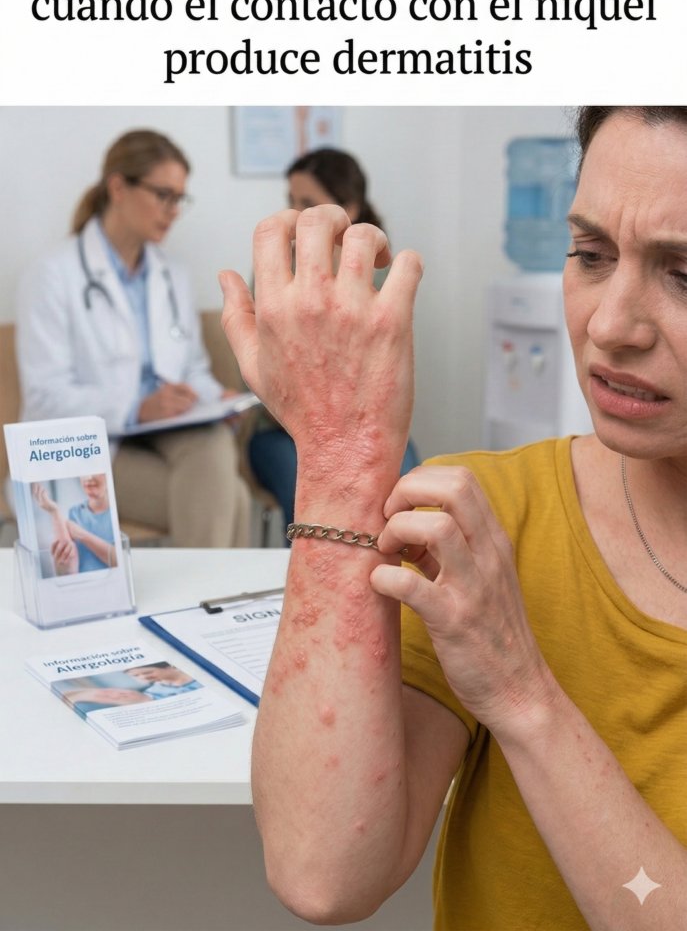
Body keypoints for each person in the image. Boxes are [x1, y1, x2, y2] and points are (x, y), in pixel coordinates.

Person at [219, 107, 687, 929]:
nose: (609, 325)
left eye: (684, 274)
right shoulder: (490, 519)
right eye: (589, 255)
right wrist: (339, 457)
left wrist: (521, 695)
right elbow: (322, 872)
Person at [17, 129, 251, 548]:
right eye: (163, 195)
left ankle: (204, 591)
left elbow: (191, 369)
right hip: (87, 449)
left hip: (166, 433)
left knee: (214, 444)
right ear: (118, 187)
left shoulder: (172, 274)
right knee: (231, 498)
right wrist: (135, 408)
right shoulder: (52, 274)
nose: (173, 211)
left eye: (179, 199)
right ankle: (215, 591)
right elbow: (45, 396)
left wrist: (217, 399)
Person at [248, 147, 419, 540]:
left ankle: (397, 578)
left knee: (405, 491)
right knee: (313, 498)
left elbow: (386, 373)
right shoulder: (276, 271)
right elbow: (259, 367)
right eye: (291, 201)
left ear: (348, 208)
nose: (297, 215)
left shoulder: (381, 276)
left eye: (308, 203)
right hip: (281, 429)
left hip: (363, 424)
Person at [32, 474, 116, 574]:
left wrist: (81, 534)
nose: (88, 478)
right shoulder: (75, 512)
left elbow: (118, 560)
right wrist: (54, 511)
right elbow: (67, 563)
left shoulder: (113, 513)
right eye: (84, 473)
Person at [125, 661, 203, 698]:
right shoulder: (152, 693)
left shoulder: (198, 673)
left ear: (169, 666)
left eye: (148, 672)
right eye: (136, 676)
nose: (143, 677)